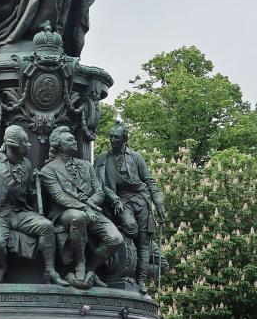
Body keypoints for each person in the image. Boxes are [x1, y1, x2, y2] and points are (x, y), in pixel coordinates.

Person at [0, 125, 67, 285]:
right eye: (25, 142)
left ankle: (50, 270)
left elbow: (27, 194)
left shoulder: (27, 164)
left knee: (47, 227)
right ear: (14, 144)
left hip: (19, 213)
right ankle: (2, 266)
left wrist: (35, 186)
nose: (29, 145)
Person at [40, 127, 123, 287]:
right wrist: (84, 207)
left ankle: (91, 268)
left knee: (116, 239)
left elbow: (99, 191)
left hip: (93, 210)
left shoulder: (86, 165)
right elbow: (59, 196)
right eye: (69, 140)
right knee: (78, 217)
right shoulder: (48, 170)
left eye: (74, 138)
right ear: (58, 145)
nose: (74, 141)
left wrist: (90, 202)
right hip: (65, 213)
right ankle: (80, 263)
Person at [94, 121, 166, 294]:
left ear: (125, 139)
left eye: (116, 137)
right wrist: (113, 198)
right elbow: (99, 185)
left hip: (141, 200)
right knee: (130, 226)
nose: (113, 140)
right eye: (111, 136)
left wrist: (159, 203)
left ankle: (140, 280)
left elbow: (149, 181)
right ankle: (122, 259)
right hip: (121, 201)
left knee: (144, 242)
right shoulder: (103, 159)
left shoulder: (135, 157)